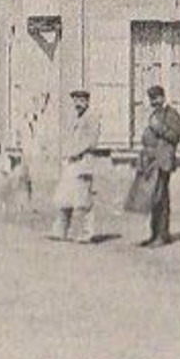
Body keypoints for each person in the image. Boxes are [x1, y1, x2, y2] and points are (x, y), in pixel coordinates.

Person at [50, 88, 101, 244]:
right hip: (71, 163)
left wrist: (75, 152)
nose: (78, 104)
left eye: (81, 100)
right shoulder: (74, 119)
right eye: (76, 101)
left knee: (83, 200)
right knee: (64, 197)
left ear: (87, 101)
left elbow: (91, 142)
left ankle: (88, 233)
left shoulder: (92, 118)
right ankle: (60, 230)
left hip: (84, 162)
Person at [137, 85, 180, 247]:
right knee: (153, 199)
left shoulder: (172, 114)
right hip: (152, 161)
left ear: (163, 98)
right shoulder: (154, 115)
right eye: (151, 99)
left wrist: (158, 128)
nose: (154, 102)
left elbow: (175, 136)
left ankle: (162, 235)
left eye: (156, 98)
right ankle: (155, 233)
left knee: (161, 199)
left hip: (163, 161)